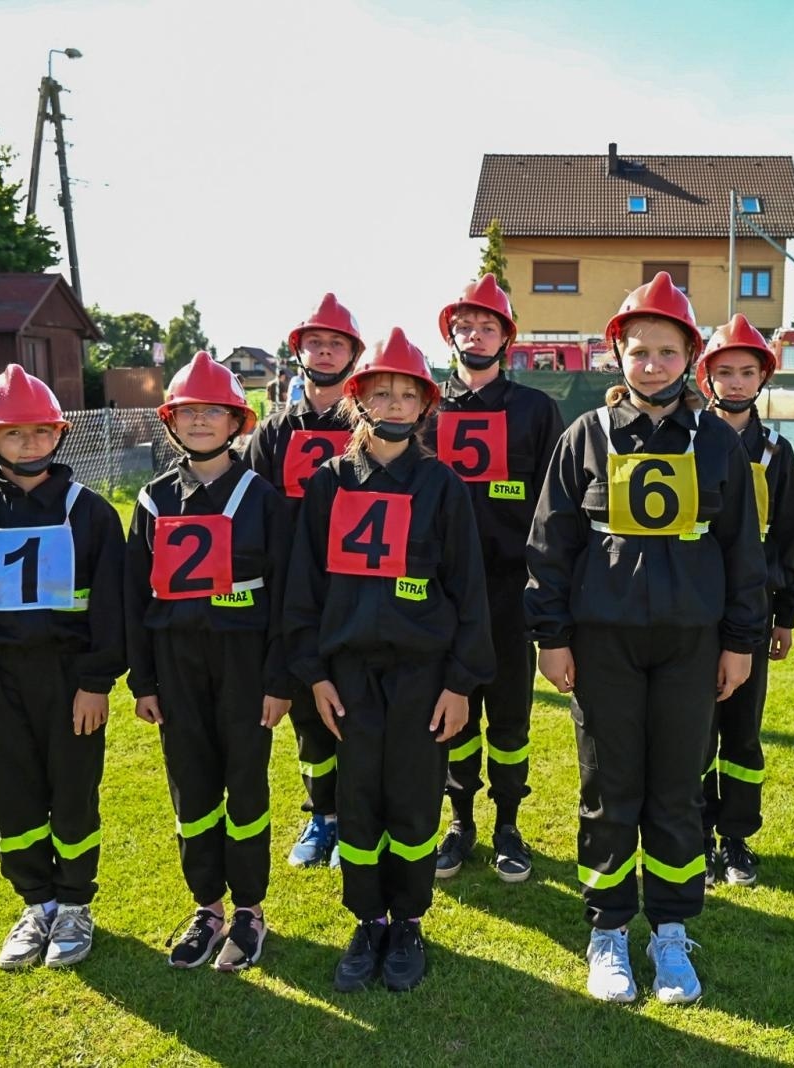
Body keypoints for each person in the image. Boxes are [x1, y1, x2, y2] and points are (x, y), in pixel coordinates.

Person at [525, 273, 767, 1005]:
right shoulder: (585, 437)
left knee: (677, 792)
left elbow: (741, 550)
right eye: (639, 351)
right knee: (610, 787)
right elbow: (550, 544)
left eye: (667, 351)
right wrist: (551, 636)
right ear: (617, 356)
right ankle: (606, 930)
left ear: (689, 356)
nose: (652, 365)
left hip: (692, 645)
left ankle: (669, 930)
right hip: (605, 645)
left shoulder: (717, 445)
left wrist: (740, 641)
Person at [282, 328, 493, 993]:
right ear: (358, 398)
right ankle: (367, 918)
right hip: (348, 679)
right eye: (382, 391)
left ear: (426, 404)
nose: (396, 403)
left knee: (412, 800)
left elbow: (470, 595)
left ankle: (409, 921)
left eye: (408, 393)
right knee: (358, 799)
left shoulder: (443, 487)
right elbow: (303, 588)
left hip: (422, 677)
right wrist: (314, 674)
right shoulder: (328, 484)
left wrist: (460, 683)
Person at [0, 364, 124, 970]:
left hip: (69, 679)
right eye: (13, 433)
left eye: (40, 431)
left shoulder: (90, 513)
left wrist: (96, 681)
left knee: (72, 788)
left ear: (59, 434)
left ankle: (74, 905)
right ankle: (36, 903)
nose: (29, 443)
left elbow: (112, 609)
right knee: (11, 793)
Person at [124, 351, 293, 973]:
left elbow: (285, 597)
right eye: (188, 411)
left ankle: (249, 910)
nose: (200, 421)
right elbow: (132, 595)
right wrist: (142, 679)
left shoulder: (263, 498)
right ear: (171, 420)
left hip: (245, 661)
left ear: (236, 421)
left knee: (244, 782)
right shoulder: (151, 498)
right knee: (192, 784)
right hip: (177, 665)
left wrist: (280, 678)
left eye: (213, 411)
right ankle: (208, 907)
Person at [426, 274, 565, 883]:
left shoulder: (536, 409)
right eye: (465, 325)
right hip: (440, 596)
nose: (474, 335)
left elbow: (554, 506)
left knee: (509, 716)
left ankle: (509, 822)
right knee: (451, 714)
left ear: (506, 336)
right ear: (450, 333)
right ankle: (460, 821)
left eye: (487, 326)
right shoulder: (422, 407)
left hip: (510, 591)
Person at [243, 293, 363, 871]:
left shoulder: (371, 426)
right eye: (315, 342)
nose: (324, 351)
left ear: (353, 353)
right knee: (307, 710)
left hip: (358, 588)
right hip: (293, 591)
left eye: (335, 342)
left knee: (357, 705)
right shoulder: (272, 431)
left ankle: (359, 815)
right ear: (299, 351)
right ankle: (323, 815)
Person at [694, 314, 794, 888]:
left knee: (741, 726)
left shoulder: (776, 450)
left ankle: (735, 837)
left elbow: (787, 536)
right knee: (693, 726)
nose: (735, 382)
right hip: (690, 603)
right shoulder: (686, 440)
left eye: (746, 372)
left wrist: (784, 612)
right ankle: (693, 835)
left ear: (763, 377)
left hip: (751, 606)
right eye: (724, 371)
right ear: (706, 374)